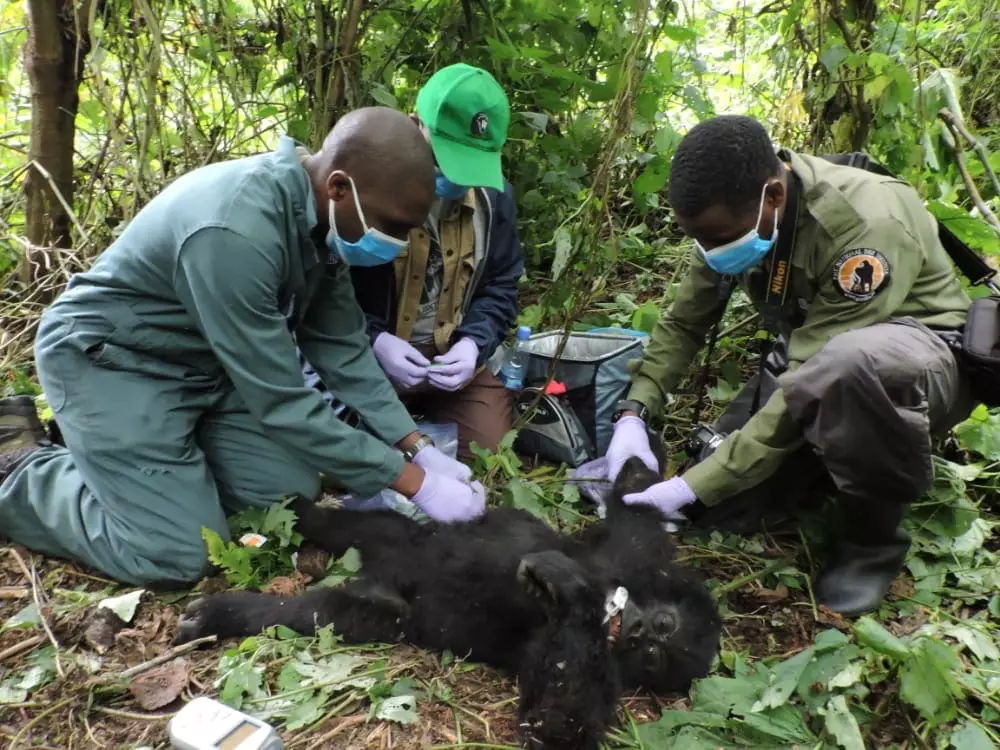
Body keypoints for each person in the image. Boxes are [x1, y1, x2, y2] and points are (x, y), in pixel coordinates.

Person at [0, 107, 487, 587]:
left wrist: (417, 446)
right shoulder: (234, 231)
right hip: (116, 362)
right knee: (174, 554)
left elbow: (341, 348)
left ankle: (137, 469)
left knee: (282, 499)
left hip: (204, 367)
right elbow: (281, 403)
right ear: (340, 186)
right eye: (394, 226)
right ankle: (24, 471)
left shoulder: (323, 223)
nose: (398, 243)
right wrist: (413, 483)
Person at [604, 114, 978, 616]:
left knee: (849, 369)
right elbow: (683, 324)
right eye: (701, 241)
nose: (711, 253)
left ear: (773, 197)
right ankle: (828, 461)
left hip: (917, 363)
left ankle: (872, 544)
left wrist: (694, 483)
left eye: (719, 239)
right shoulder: (727, 222)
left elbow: (819, 371)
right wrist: (635, 413)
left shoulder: (866, 223)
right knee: (723, 507)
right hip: (814, 354)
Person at [300, 63, 524, 460]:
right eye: (445, 157)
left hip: (449, 362)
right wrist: (374, 340)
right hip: (366, 358)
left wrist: (474, 342)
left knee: (489, 453)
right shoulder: (364, 183)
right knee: (343, 456)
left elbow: (502, 282)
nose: (454, 178)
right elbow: (321, 289)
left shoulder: (494, 197)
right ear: (415, 124)